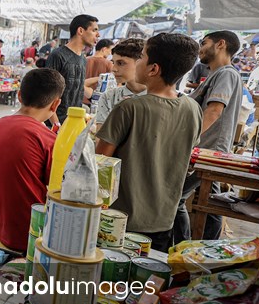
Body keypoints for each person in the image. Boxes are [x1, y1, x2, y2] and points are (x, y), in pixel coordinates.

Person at [96, 33, 202, 252]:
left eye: (142, 57)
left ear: (153, 69)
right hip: (163, 220)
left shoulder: (129, 108)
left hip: (120, 221)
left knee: (113, 283)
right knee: (148, 281)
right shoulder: (193, 109)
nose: (138, 62)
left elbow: (101, 163)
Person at [0, 69, 64, 251]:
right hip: (29, 236)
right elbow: (60, 190)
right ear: (55, 105)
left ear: (19, 95)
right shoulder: (47, 139)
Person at [174, 30, 243, 241]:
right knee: (210, 202)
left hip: (208, 151)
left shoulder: (226, 74)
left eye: (204, 43)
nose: (200, 49)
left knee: (176, 199)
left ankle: (182, 247)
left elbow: (214, 111)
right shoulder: (217, 74)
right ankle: (206, 249)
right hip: (210, 151)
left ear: (220, 44)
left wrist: (188, 139)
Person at [46, 14, 101, 122]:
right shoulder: (58, 55)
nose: (98, 35)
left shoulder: (82, 59)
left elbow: (78, 87)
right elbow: (47, 95)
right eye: (94, 30)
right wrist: (56, 126)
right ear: (80, 30)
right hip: (55, 124)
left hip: (73, 121)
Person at [94, 38, 147, 127]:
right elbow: (100, 138)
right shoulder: (109, 98)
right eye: (113, 62)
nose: (113, 69)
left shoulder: (158, 99)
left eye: (121, 63)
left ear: (140, 63)